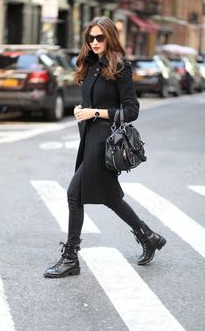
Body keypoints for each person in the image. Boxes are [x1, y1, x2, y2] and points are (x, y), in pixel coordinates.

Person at [44, 16, 166, 278]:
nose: (95, 42)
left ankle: (70, 257)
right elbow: (89, 103)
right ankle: (148, 236)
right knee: (111, 197)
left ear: (110, 38)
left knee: (74, 195)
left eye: (100, 37)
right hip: (89, 138)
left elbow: (131, 110)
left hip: (104, 142)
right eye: (91, 38)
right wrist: (81, 110)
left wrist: (95, 113)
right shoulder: (89, 66)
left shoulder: (120, 67)